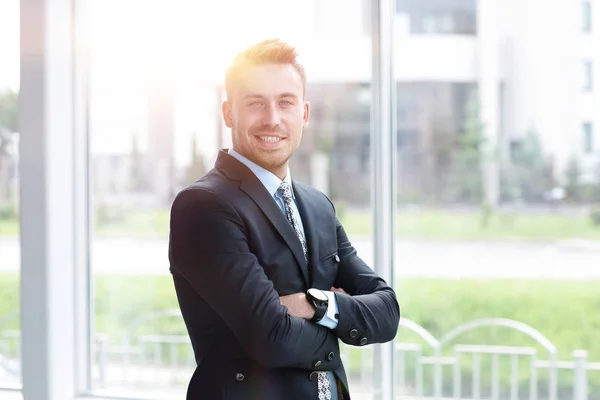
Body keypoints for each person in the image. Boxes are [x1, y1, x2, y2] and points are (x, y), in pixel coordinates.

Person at [168, 39, 400, 400]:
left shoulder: (318, 206)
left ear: (304, 114)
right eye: (255, 103)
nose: (272, 119)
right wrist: (342, 323)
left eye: (285, 102)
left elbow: (387, 311)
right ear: (229, 114)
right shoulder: (204, 206)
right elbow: (271, 338)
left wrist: (315, 305)